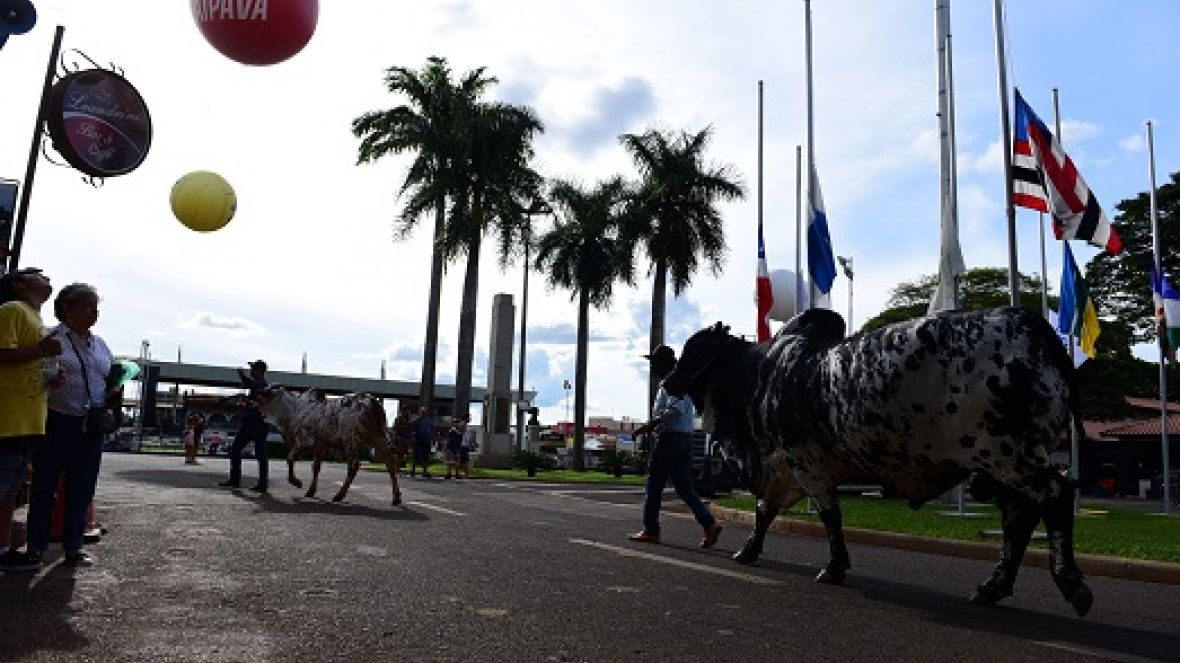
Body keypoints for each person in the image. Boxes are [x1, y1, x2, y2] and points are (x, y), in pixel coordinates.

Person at [26, 282, 116, 567]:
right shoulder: (50, 338)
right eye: (88, 306)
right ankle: (36, 547)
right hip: (58, 419)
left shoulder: (100, 344)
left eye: (96, 307)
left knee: (83, 485)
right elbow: (35, 375)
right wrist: (50, 381)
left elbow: (107, 375)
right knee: (46, 484)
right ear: (68, 308)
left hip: (91, 424)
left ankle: (73, 547)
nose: (94, 312)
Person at [628, 344, 722, 548]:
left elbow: (676, 409)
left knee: (654, 485)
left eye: (654, 362)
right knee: (684, 486)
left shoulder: (673, 382)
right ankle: (709, 524)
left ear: (664, 363)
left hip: (671, 438)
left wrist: (652, 424)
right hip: (684, 438)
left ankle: (651, 529)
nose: (652, 366)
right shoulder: (680, 382)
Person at [0, 267, 62, 572]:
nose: (46, 277)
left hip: (28, 421)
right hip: (8, 419)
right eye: (38, 274)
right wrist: (41, 350)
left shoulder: (35, 318)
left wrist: (52, 378)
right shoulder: (12, 310)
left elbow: (30, 363)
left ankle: (2, 550)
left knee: (11, 493)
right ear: (19, 284)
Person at [219, 360, 269, 492]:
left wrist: (242, 375)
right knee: (257, 454)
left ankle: (239, 480)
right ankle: (259, 484)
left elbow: (251, 385)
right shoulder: (260, 384)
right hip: (256, 424)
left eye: (253, 368)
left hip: (255, 424)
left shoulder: (261, 383)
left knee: (248, 452)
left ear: (259, 370)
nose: (251, 370)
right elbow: (250, 397)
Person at [410, 407, 433, 479]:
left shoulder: (429, 421)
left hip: (427, 440)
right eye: (422, 412)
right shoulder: (416, 421)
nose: (423, 414)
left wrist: (432, 438)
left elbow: (432, 430)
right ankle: (413, 471)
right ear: (420, 413)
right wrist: (413, 437)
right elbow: (411, 429)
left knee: (426, 456)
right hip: (418, 440)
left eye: (425, 412)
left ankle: (424, 471)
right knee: (416, 456)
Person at [390, 406, 412, 475]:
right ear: (403, 411)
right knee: (399, 454)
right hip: (399, 438)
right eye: (407, 411)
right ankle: (396, 468)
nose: (408, 412)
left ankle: (397, 468)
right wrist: (405, 426)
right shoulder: (399, 418)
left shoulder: (407, 418)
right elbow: (396, 427)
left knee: (401, 455)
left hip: (405, 438)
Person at [460, 414, 476, 479]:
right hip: (463, 444)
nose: (469, 419)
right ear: (465, 418)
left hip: (466, 444)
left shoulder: (466, 425)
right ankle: (466, 473)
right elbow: (462, 433)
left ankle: (465, 472)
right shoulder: (462, 424)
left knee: (465, 460)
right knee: (464, 460)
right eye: (469, 418)